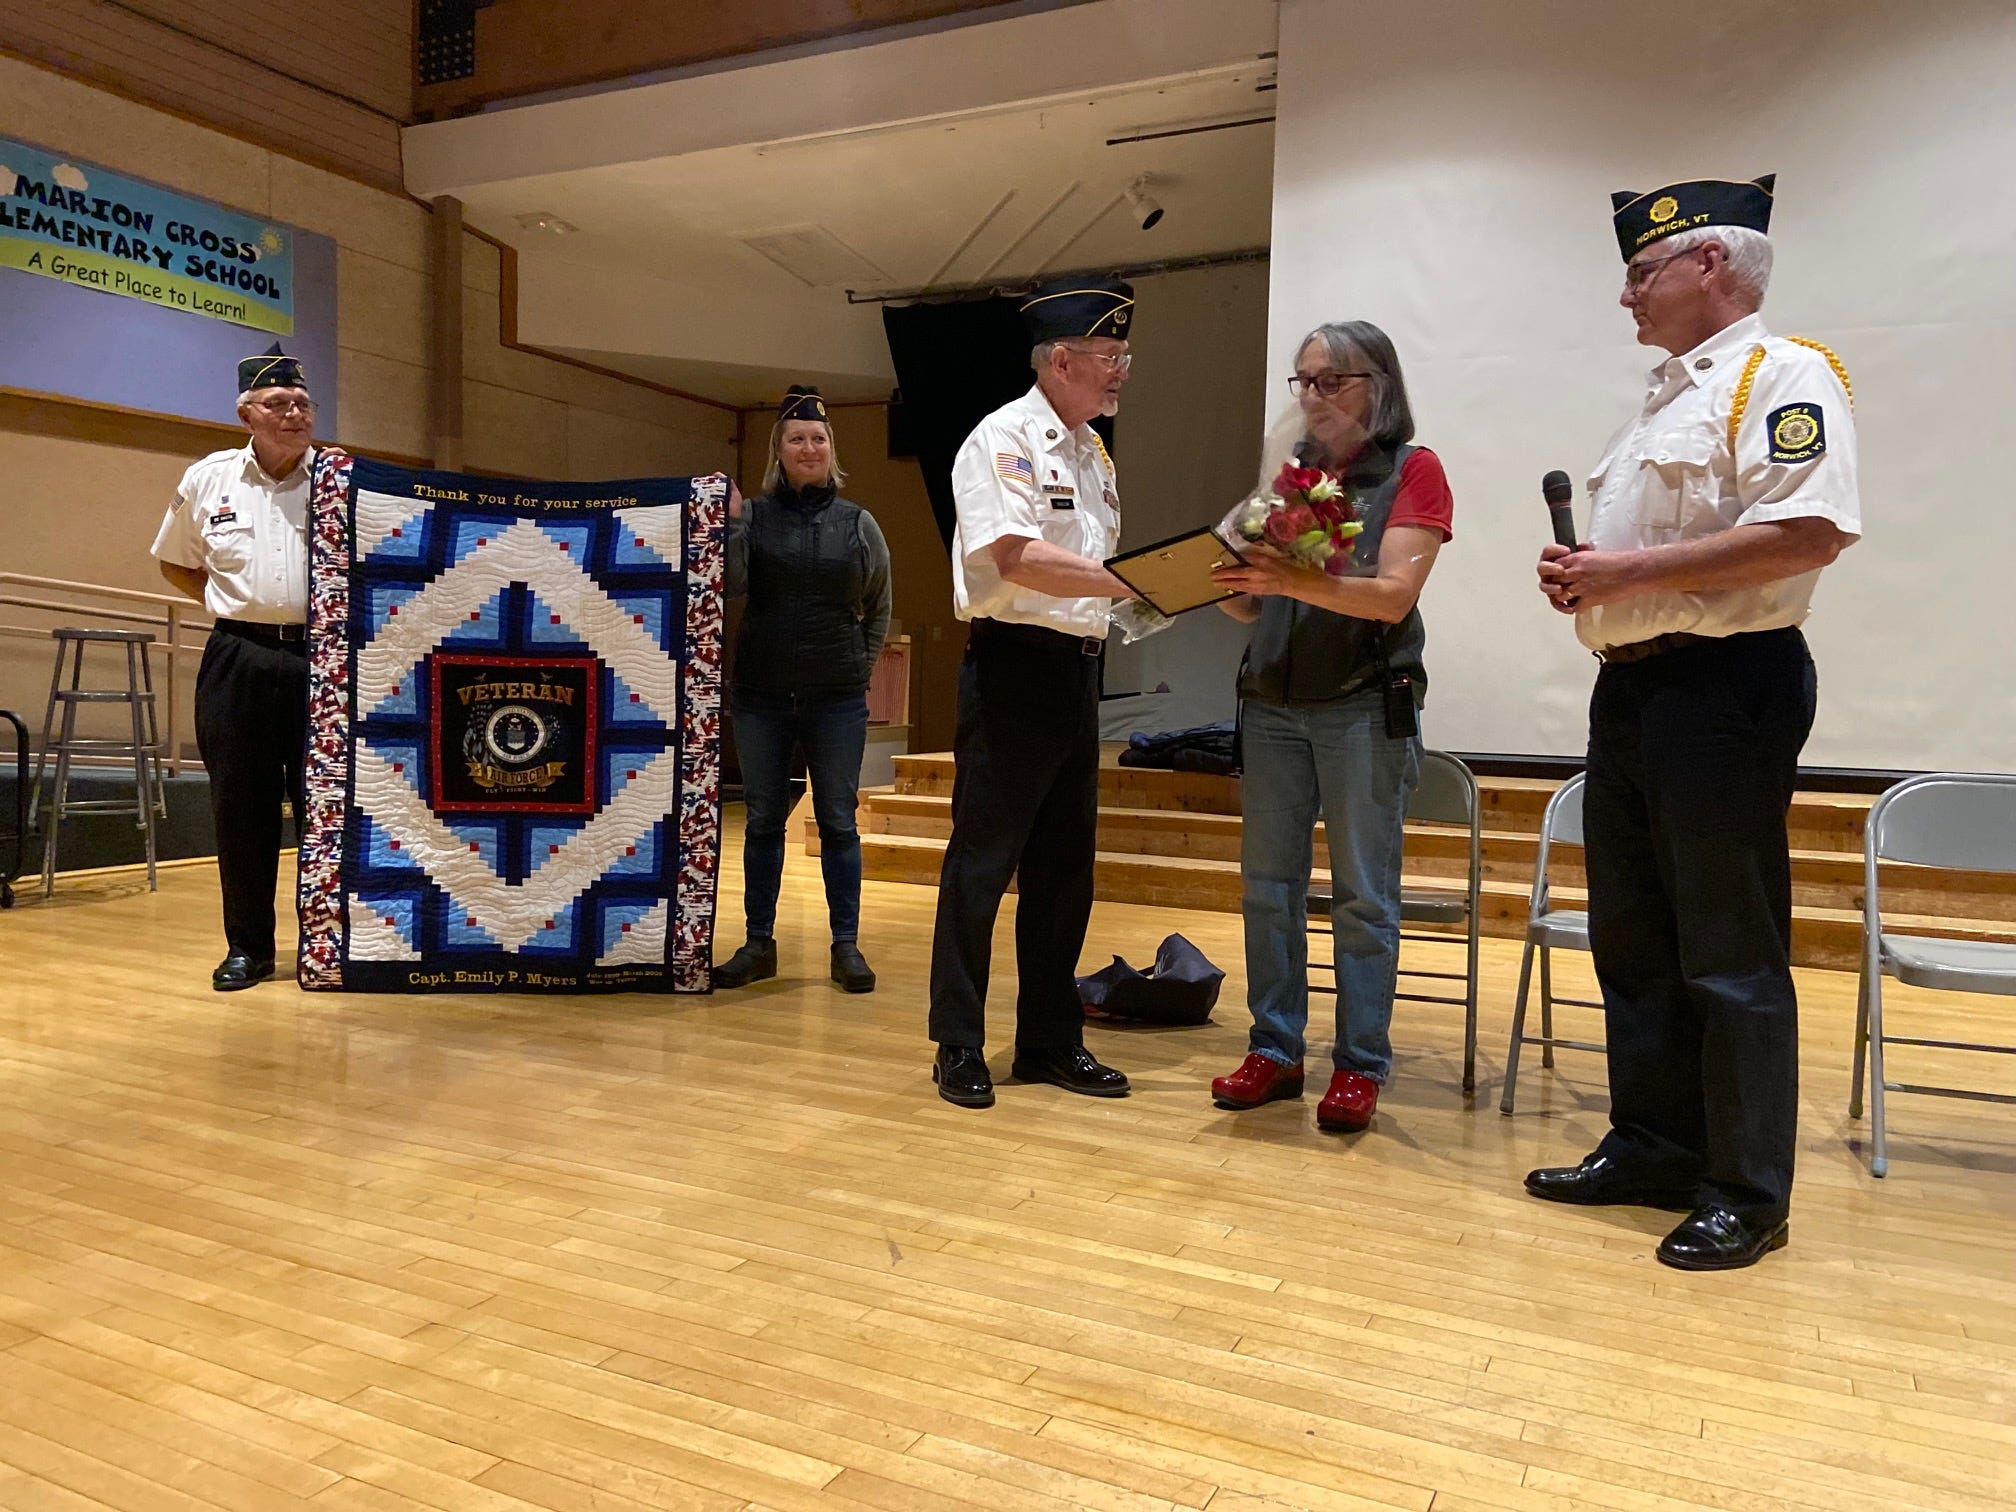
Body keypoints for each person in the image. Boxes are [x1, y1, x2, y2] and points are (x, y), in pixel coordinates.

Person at [1526, 174, 1859, 1271]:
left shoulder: (1783, 374)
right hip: (1633, 687)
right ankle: (1656, 1146)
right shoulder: (1665, 401)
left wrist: (1624, 571)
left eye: (1641, 271)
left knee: (1727, 945)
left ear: (1709, 262)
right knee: (1636, 937)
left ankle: (1747, 1190)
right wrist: (1592, 580)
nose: (1626, 295)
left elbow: (1808, 531)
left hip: (1726, 687)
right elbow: (1662, 558)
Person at [1206, 321, 1454, 1133]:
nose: (1312, 396)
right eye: (1303, 381)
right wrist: (1219, 579)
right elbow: (1252, 606)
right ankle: (1274, 1049)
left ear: (1376, 385)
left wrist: (1288, 577)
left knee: (1362, 898)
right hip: (1273, 702)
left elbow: (1392, 597)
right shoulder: (1295, 479)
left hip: (1361, 703)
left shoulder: (1412, 471)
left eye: (1330, 380)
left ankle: (1359, 1063)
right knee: (1266, 889)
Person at [926, 278, 1146, 1108]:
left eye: (1123, 356)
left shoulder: (1093, 453)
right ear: (1060, 360)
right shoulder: (1004, 438)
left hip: (1078, 670)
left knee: (1063, 870)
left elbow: (1091, 575)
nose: (1121, 371)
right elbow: (1017, 557)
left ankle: (1050, 1040)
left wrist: (1152, 594)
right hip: (1013, 668)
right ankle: (957, 1042)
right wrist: (1135, 582)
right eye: (1109, 355)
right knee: (983, 864)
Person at [714, 386, 892, 994]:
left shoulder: (859, 523)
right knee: (763, 819)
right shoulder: (755, 516)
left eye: (818, 438)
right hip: (760, 695)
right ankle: (758, 944)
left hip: (837, 698)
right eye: (797, 438)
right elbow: (732, 586)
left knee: (838, 820)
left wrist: (859, 668)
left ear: (831, 449)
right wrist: (733, 524)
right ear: (780, 450)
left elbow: (879, 605)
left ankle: (846, 946)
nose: (809, 447)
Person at [151, 345, 317, 990]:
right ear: (247, 414)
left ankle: (328, 945)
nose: (294, 413)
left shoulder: (340, 481)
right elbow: (174, 560)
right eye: (278, 403)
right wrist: (231, 604)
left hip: (323, 658)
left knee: (326, 809)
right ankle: (248, 948)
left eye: (302, 403)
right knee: (241, 807)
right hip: (237, 656)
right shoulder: (208, 478)